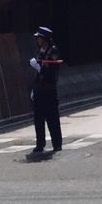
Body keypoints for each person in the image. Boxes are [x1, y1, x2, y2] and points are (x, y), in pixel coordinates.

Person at [29, 26, 63, 154]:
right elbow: (39, 74)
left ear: (45, 39)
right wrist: (34, 88)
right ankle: (40, 144)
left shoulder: (53, 51)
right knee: (38, 118)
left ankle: (57, 144)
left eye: (39, 38)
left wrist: (39, 68)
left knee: (52, 118)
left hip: (49, 89)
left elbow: (51, 72)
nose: (37, 40)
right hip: (40, 88)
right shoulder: (41, 51)